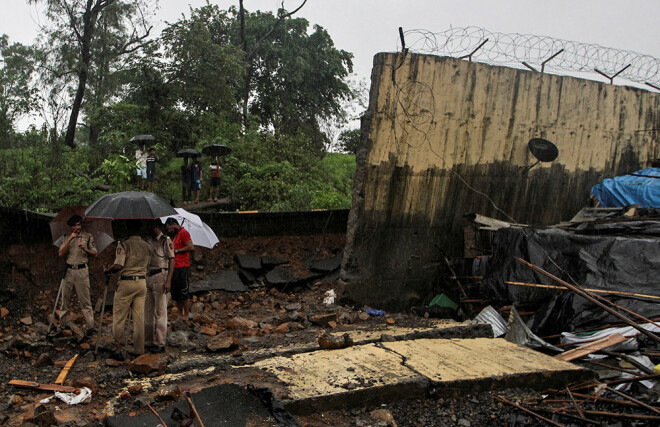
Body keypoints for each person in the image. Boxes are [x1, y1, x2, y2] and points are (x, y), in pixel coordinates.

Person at [103, 220, 153, 360]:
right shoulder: (147, 246)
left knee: (119, 318)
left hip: (126, 282)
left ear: (128, 229)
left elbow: (118, 265)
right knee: (139, 318)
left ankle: (118, 349)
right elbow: (148, 264)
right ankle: (139, 350)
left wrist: (108, 270)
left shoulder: (124, 244)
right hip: (142, 282)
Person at [58, 215, 97, 334]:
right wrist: (70, 239)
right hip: (69, 270)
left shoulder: (88, 237)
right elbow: (60, 253)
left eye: (79, 225)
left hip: (82, 271)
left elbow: (95, 253)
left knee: (85, 300)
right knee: (64, 299)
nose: (77, 227)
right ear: (70, 227)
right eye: (74, 225)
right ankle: (62, 325)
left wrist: (85, 249)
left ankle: (91, 326)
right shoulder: (66, 237)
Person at [144, 220, 174, 353]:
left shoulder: (165, 240)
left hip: (160, 274)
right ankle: (148, 340)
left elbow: (172, 260)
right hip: (148, 275)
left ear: (155, 226)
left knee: (160, 310)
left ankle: (160, 342)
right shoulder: (148, 240)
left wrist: (168, 280)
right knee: (148, 309)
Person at [164, 218, 194, 320]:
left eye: (170, 228)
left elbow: (190, 247)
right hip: (175, 267)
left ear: (174, 224)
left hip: (182, 267)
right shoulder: (176, 236)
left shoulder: (184, 233)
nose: (169, 231)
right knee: (176, 294)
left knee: (184, 293)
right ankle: (180, 314)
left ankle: (186, 314)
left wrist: (176, 251)